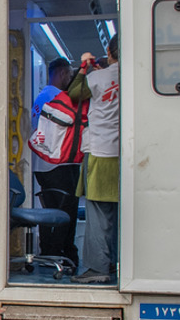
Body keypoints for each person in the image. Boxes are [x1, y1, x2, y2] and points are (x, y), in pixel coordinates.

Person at [69, 35, 120, 284]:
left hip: (100, 152)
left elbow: (74, 94)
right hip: (124, 154)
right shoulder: (136, 77)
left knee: (98, 214)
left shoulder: (97, 78)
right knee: (121, 213)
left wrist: (83, 68)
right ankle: (118, 263)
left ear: (110, 51)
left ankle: (97, 267)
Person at [30, 57, 81, 263]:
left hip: (43, 165)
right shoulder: (59, 97)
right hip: (60, 163)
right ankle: (62, 253)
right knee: (66, 212)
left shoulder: (41, 97)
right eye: (69, 75)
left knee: (51, 210)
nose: (70, 79)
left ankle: (50, 251)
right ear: (61, 73)